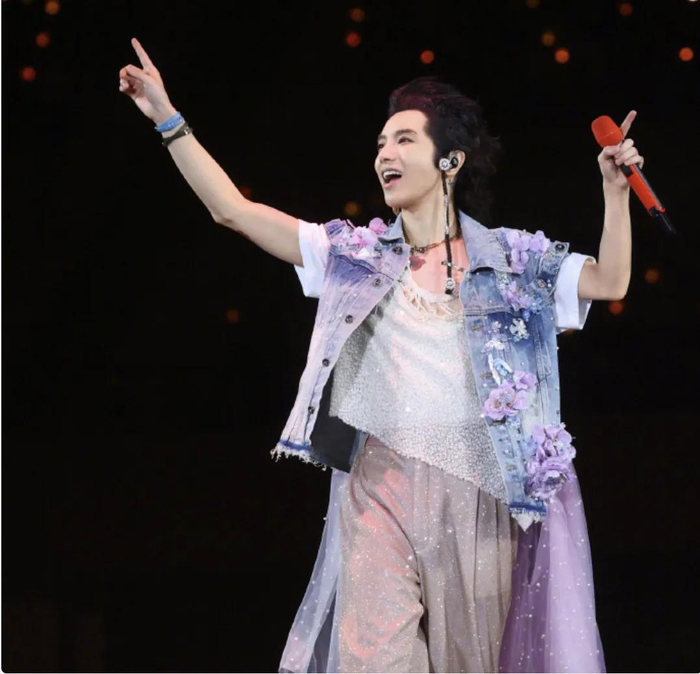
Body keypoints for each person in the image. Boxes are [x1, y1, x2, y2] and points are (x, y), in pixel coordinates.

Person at [120, 37, 642, 673]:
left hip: (481, 493)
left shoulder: (513, 260)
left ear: (449, 161)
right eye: (380, 144)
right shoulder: (354, 257)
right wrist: (168, 119)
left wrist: (615, 192)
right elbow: (232, 211)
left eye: (403, 140)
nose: (384, 154)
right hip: (378, 488)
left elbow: (610, 281)